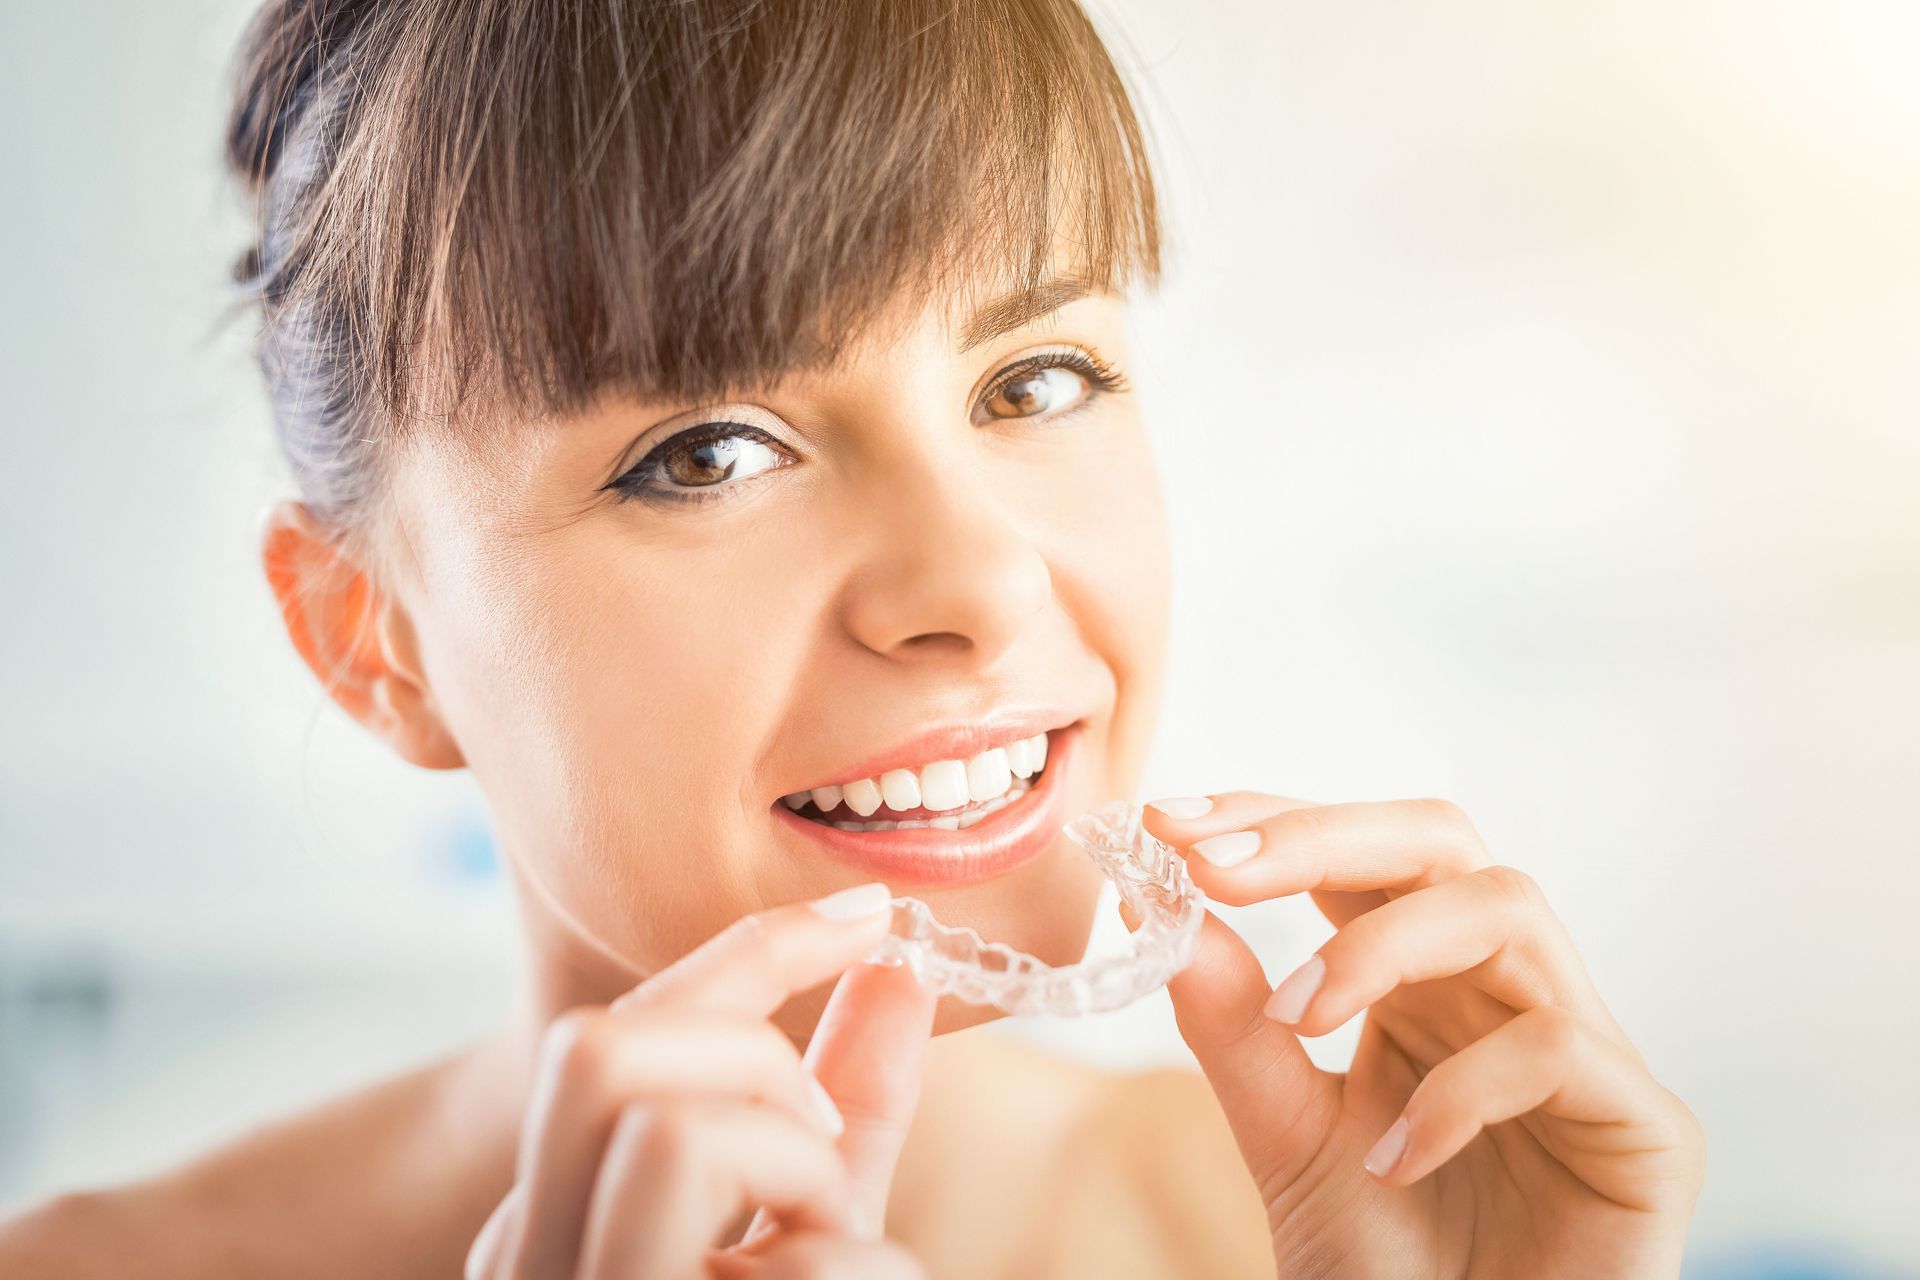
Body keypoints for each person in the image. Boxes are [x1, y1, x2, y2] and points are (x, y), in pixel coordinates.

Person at [0, 0, 1704, 1275]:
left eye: (1035, 381)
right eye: (708, 453)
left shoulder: (1346, 1226)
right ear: (374, 638)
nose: (979, 584)